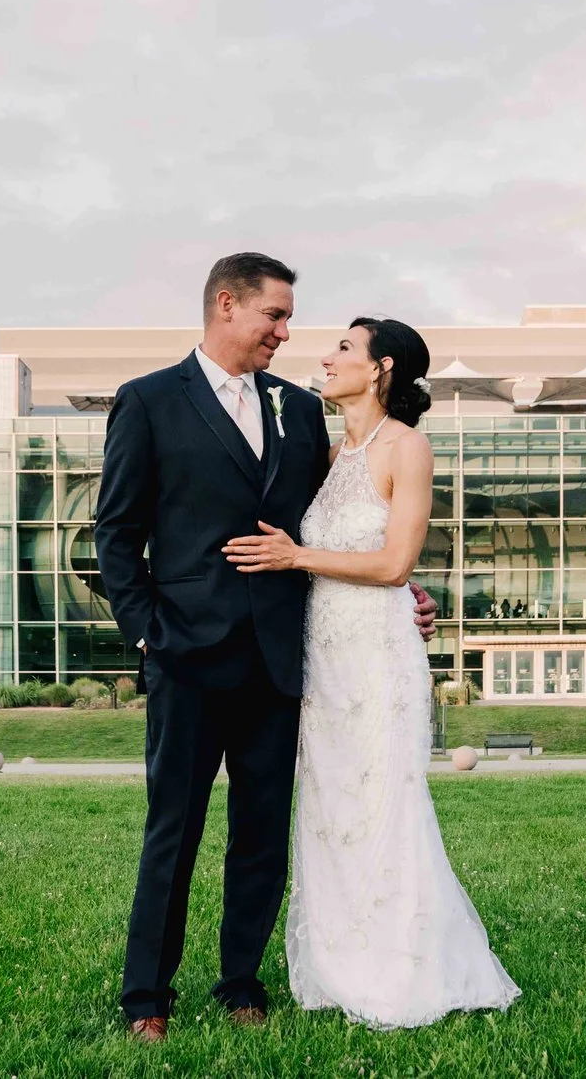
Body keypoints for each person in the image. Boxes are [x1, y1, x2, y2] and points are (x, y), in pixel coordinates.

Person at [93, 253, 437, 1044]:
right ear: (226, 305)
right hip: (187, 654)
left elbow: (341, 520)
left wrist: (404, 590)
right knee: (172, 831)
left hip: (284, 661)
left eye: (288, 319)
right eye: (275, 317)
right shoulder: (149, 402)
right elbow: (116, 533)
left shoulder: (296, 408)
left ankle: (241, 980)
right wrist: (149, 631)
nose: (286, 333)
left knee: (261, 831)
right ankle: (147, 995)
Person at [225, 316, 520, 1028]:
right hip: (323, 658)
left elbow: (394, 564)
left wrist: (298, 556)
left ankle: (401, 965)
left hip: (378, 658)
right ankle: (336, 962)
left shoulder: (407, 448)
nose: (325, 358)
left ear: (381, 368)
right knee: (332, 806)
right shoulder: (329, 457)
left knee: (384, 801)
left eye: (344, 349)